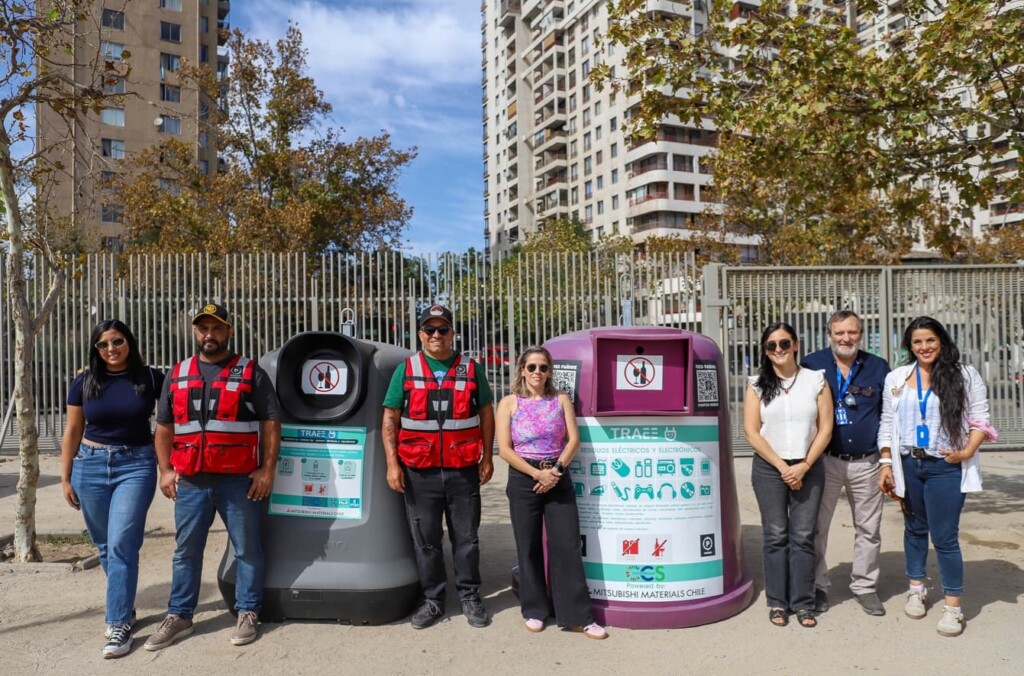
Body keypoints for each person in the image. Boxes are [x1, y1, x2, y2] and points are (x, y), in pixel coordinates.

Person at [144, 303, 281, 650]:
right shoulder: (177, 374)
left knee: (247, 548)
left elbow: (271, 423)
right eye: (203, 328)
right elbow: (164, 427)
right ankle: (180, 615)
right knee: (186, 551)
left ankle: (248, 611)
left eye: (217, 328)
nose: (210, 335)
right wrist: (165, 470)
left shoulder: (250, 372)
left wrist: (267, 468)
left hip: (238, 480)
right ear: (195, 332)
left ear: (229, 331)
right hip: (191, 481)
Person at [877, 316, 996, 637]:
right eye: (917, 342)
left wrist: (966, 452)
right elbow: (887, 423)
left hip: (945, 466)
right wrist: (886, 463)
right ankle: (916, 588)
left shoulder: (964, 375)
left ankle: (953, 607)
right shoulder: (897, 378)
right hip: (908, 465)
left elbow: (980, 420)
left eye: (930, 340)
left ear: (941, 341)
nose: (924, 347)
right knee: (914, 530)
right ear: (909, 346)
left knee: (944, 537)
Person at [381, 304, 495, 629]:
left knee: (467, 538)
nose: (435, 335)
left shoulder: (471, 369)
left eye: (442, 329)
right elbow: (390, 416)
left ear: (452, 333)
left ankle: (470, 597)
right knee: (427, 540)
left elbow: (486, 412)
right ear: (420, 334)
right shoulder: (406, 369)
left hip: (462, 470)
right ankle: (433, 601)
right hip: (420, 472)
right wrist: (392, 464)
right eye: (429, 330)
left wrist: (487, 457)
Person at [60, 320, 164, 658]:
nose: (111, 349)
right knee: (105, 545)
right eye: (103, 345)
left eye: (117, 341)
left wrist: (170, 462)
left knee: (121, 544)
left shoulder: (150, 379)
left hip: (136, 465)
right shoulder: (84, 381)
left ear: (129, 342)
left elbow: (175, 418)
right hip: (89, 465)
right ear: (96, 350)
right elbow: (73, 430)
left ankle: (118, 624)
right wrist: (65, 476)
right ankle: (125, 604)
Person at [495, 346, 607, 639]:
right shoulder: (508, 403)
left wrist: (554, 472)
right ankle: (534, 609)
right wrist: (536, 474)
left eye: (543, 367)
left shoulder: (561, 400)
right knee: (528, 545)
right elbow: (505, 449)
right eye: (531, 367)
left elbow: (573, 441)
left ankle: (578, 616)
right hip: (524, 478)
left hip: (557, 475)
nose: (537, 373)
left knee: (567, 545)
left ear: (550, 372)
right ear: (522, 370)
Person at [744, 322, 833, 628]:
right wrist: (783, 468)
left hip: (808, 466)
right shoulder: (756, 385)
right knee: (776, 535)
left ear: (796, 344)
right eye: (772, 346)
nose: (778, 350)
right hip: (770, 468)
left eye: (784, 343)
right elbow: (752, 433)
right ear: (765, 351)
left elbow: (826, 428)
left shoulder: (815, 381)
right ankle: (778, 603)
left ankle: (804, 602)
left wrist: (804, 465)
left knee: (804, 536)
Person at [801, 310, 890, 616]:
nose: (845, 338)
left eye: (852, 332)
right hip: (825, 460)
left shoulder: (878, 367)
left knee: (868, 529)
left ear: (861, 334)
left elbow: (887, 416)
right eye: (839, 333)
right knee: (816, 527)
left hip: (866, 463)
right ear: (830, 335)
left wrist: (887, 460)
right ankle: (817, 586)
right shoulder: (812, 365)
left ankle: (865, 587)